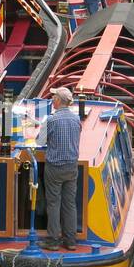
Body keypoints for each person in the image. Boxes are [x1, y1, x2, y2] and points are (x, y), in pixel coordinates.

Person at [41, 87, 82, 250]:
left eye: (53, 97)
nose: (52, 100)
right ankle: (71, 241)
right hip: (71, 167)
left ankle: (53, 240)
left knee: (53, 203)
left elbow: (39, 141)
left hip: (54, 168)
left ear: (58, 101)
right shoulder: (76, 119)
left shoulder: (51, 120)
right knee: (69, 204)